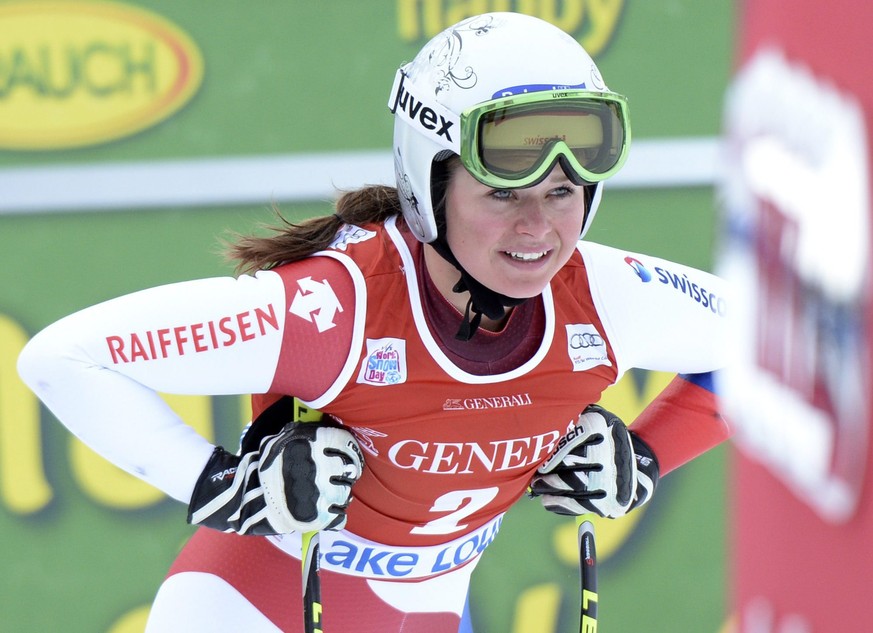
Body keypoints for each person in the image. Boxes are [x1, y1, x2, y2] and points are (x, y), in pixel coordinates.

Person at [17, 12, 731, 633]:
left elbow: (763, 345)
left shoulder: (606, 296)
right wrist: (229, 489)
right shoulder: (337, 308)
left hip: (431, 610)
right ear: (431, 183)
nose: (537, 227)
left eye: (562, 190)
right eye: (502, 193)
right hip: (246, 609)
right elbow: (63, 358)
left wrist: (645, 457)